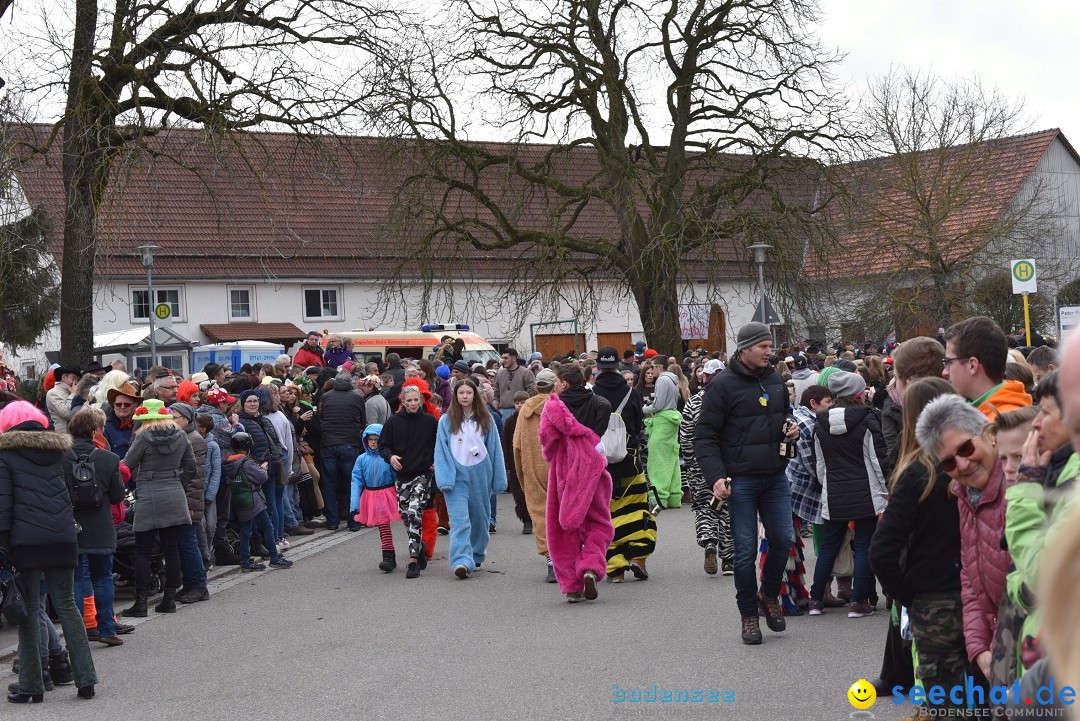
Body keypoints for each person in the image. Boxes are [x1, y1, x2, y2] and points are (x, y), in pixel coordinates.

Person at [694, 321, 797, 645]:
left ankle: (768, 595)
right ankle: (748, 615)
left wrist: (790, 427)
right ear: (745, 349)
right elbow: (705, 437)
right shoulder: (722, 386)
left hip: (775, 477)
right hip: (740, 481)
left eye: (770, 346)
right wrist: (716, 477)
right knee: (744, 552)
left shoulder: (775, 379)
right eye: (763, 347)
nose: (770, 351)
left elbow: (784, 414)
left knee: (783, 540)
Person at [870, 377, 963, 703]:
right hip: (972, 595)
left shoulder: (919, 472)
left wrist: (909, 595)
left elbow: (881, 550)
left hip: (935, 598)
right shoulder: (969, 464)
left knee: (947, 700)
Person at [0, 401, 98, 703]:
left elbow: (3, 506)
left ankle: (31, 686)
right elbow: (68, 494)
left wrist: (2, 547)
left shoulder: (5, 457)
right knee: (67, 605)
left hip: (24, 540)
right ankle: (86, 680)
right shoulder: (61, 453)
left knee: (29, 611)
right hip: (63, 537)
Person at [916, 393, 1012, 687]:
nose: (963, 464)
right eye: (948, 463)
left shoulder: (1018, 486)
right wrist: (979, 648)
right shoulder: (963, 494)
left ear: (989, 435)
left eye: (966, 447)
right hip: (999, 653)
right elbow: (970, 579)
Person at [807, 371, 889, 618]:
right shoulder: (868, 420)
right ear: (859, 393)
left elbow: (819, 466)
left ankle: (815, 600)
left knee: (829, 547)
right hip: (867, 493)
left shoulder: (819, 424)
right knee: (863, 547)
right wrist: (887, 489)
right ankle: (857, 602)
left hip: (834, 494)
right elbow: (877, 461)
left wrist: (827, 487)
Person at [540, 364, 615, 602]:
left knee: (562, 531)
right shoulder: (597, 402)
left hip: (564, 470)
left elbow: (547, 441)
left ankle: (572, 586)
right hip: (592, 468)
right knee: (598, 522)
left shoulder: (553, 408)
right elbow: (605, 407)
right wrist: (592, 436)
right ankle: (591, 565)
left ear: (564, 383)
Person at [120, 399, 197, 618]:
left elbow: (127, 465)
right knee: (172, 548)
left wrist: (136, 484)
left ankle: (141, 603)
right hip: (174, 494)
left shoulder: (143, 437)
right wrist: (176, 483)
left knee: (143, 550)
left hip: (149, 494)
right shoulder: (181, 436)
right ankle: (169, 599)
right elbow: (191, 469)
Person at [592, 347, 657, 583]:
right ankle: (638, 557)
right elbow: (639, 427)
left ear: (598, 367)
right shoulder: (632, 394)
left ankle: (615, 568)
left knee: (607, 515)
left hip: (601, 467)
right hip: (630, 464)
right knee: (638, 511)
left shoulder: (591, 394)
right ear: (619, 366)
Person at [434, 377, 507, 579]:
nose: (465, 396)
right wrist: (445, 478)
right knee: (459, 521)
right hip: (456, 477)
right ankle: (460, 560)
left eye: (468, 393)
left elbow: (495, 449)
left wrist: (499, 479)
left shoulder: (486, 419)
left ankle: (476, 554)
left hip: (480, 474)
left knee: (480, 520)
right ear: (455, 396)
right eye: (461, 393)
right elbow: (441, 451)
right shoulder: (446, 421)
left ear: (474, 395)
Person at [67, 407, 127, 646]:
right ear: (94, 432)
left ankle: (80, 631)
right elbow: (117, 496)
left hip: (71, 526)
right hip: (101, 526)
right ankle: (107, 628)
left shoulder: (59, 457)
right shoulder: (109, 459)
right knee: (103, 577)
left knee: (77, 579)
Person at [379, 384, 439, 579]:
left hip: (422, 473)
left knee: (414, 511)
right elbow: (383, 446)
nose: (413, 403)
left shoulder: (430, 421)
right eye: (409, 400)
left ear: (421, 400)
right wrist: (390, 457)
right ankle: (419, 546)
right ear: (403, 402)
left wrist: (435, 461)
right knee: (406, 516)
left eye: (416, 400)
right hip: (402, 476)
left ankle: (413, 560)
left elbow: (440, 444)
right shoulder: (393, 422)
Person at [681, 357, 732, 575]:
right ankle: (729, 559)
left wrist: (691, 465)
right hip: (727, 466)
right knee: (728, 508)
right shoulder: (731, 399)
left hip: (699, 465)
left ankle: (709, 539)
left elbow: (685, 437)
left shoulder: (693, 402)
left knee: (704, 505)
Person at [224, 432, 293, 571]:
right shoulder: (246, 462)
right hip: (254, 499)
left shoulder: (229, 462)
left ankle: (246, 561)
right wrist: (262, 468)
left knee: (245, 532)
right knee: (268, 527)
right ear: (247, 447)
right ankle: (274, 557)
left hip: (240, 500)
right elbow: (261, 477)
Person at [514, 369, 557, 582]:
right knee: (562, 512)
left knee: (540, 513)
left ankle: (551, 559)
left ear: (535, 387)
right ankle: (566, 555)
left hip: (533, 465)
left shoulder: (525, 410)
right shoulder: (559, 406)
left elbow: (517, 445)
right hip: (557, 465)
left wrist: (522, 475)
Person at [942, 316, 1031, 418]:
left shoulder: (1001, 425)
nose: (944, 372)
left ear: (972, 365)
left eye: (948, 362)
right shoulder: (981, 413)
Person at [168, 402, 210, 604]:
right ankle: (191, 584)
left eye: (175, 416)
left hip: (189, 502)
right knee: (182, 544)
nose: (172, 420)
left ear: (186, 418)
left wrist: (192, 506)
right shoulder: (182, 437)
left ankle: (199, 586)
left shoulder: (194, 440)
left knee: (188, 543)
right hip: (180, 500)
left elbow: (196, 477)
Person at [318, 372, 367, 532]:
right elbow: (362, 421)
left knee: (329, 483)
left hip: (328, 443)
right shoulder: (357, 397)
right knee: (352, 483)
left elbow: (321, 416)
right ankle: (353, 521)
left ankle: (332, 521)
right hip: (349, 444)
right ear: (350, 383)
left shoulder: (326, 397)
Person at [350, 424, 400, 572]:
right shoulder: (361, 459)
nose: (373, 442)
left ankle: (417, 548)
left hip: (389, 492)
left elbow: (397, 476)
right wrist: (354, 504)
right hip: (371, 495)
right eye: (370, 439)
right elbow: (356, 481)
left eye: (377, 439)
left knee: (407, 522)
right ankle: (388, 557)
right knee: (383, 525)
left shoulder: (387, 457)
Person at [643, 365, 683, 510]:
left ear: (658, 366)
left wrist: (644, 409)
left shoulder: (662, 380)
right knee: (672, 460)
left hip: (662, 421)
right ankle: (674, 496)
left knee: (657, 461)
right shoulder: (674, 380)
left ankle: (659, 498)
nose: (650, 370)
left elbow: (658, 404)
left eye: (652, 367)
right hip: (672, 420)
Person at [500, 391, 533, 534]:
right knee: (519, 492)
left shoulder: (534, 418)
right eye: (517, 403)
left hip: (532, 460)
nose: (520, 405)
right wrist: (507, 463)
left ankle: (537, 519)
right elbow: (506, 443)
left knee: (534, 491)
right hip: (515, 462)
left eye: (523, 402)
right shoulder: (510, 422)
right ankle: (526, 520)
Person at [494, 348, 536, 420]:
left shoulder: (526, 373)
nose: (503, 361)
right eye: (502, 358)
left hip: (521, 411)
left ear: (513, 358)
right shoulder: (499, 374)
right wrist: (495, 411)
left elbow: (531, 392)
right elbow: (496, 394)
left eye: (506, 358)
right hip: (504, 412)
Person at [45, 365, 81, 433]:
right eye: (73, 378)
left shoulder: (75, 392)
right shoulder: (52, 393)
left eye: (78, 380)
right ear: (64, 377)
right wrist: (73, 394)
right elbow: (67, 413)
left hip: (78, 434)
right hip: (64, 436)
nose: (76, 383)